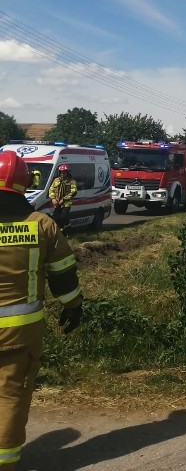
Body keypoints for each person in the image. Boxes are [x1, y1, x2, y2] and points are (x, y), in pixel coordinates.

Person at [0, 150, 83, 471]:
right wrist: (73, 307)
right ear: (25, 183)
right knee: (8, 399)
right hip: (18, 337)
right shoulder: (41, 225)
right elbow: (63, 274)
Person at [48, 164, 77, 230]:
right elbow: (51, 189)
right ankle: (60, 232)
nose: (62, 174)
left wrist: (64, 199)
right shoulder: (56, 180)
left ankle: (67, 231)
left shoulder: (72, 181)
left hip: (66, 203)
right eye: (61, 172)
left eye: (64, 172)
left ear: (67, 172)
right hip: (57, 203)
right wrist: (53, 199)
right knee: (55, 218)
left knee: (63, 217)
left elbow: (74, 192)